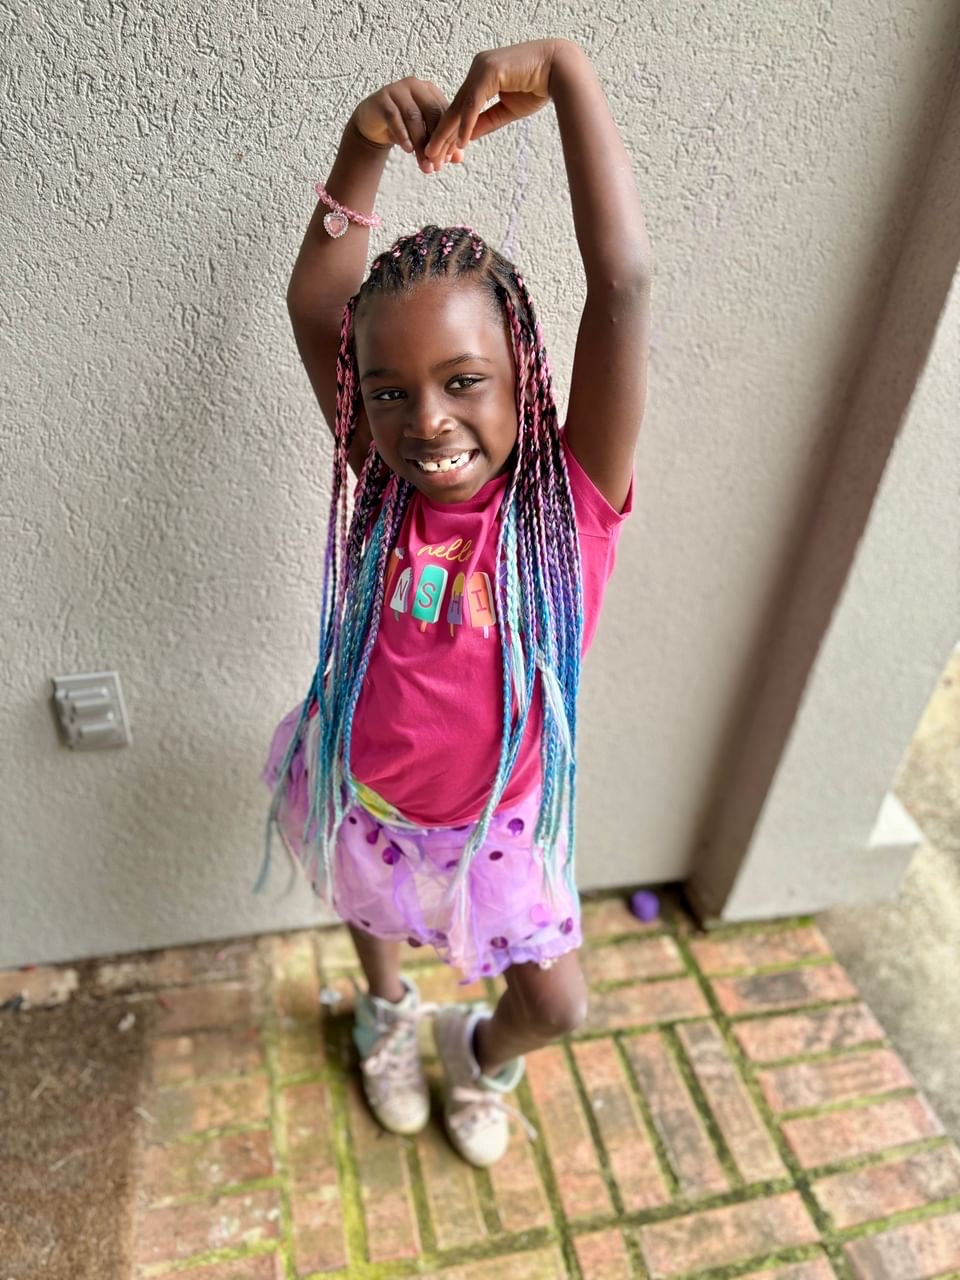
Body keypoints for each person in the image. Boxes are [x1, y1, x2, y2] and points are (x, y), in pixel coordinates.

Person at [258, 37, 652, 1168]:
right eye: (388, 390)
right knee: (371, 913)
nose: (425, 418)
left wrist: (573, 73)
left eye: (463, 380)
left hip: (500, 829)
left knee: (559, 1003)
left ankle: (475, 1051)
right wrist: (360, 144)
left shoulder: (572, 501)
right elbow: (316, 294)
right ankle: (384, 1012)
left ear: (525, 371)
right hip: (370, 789)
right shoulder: (380, 478)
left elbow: (622, 288)